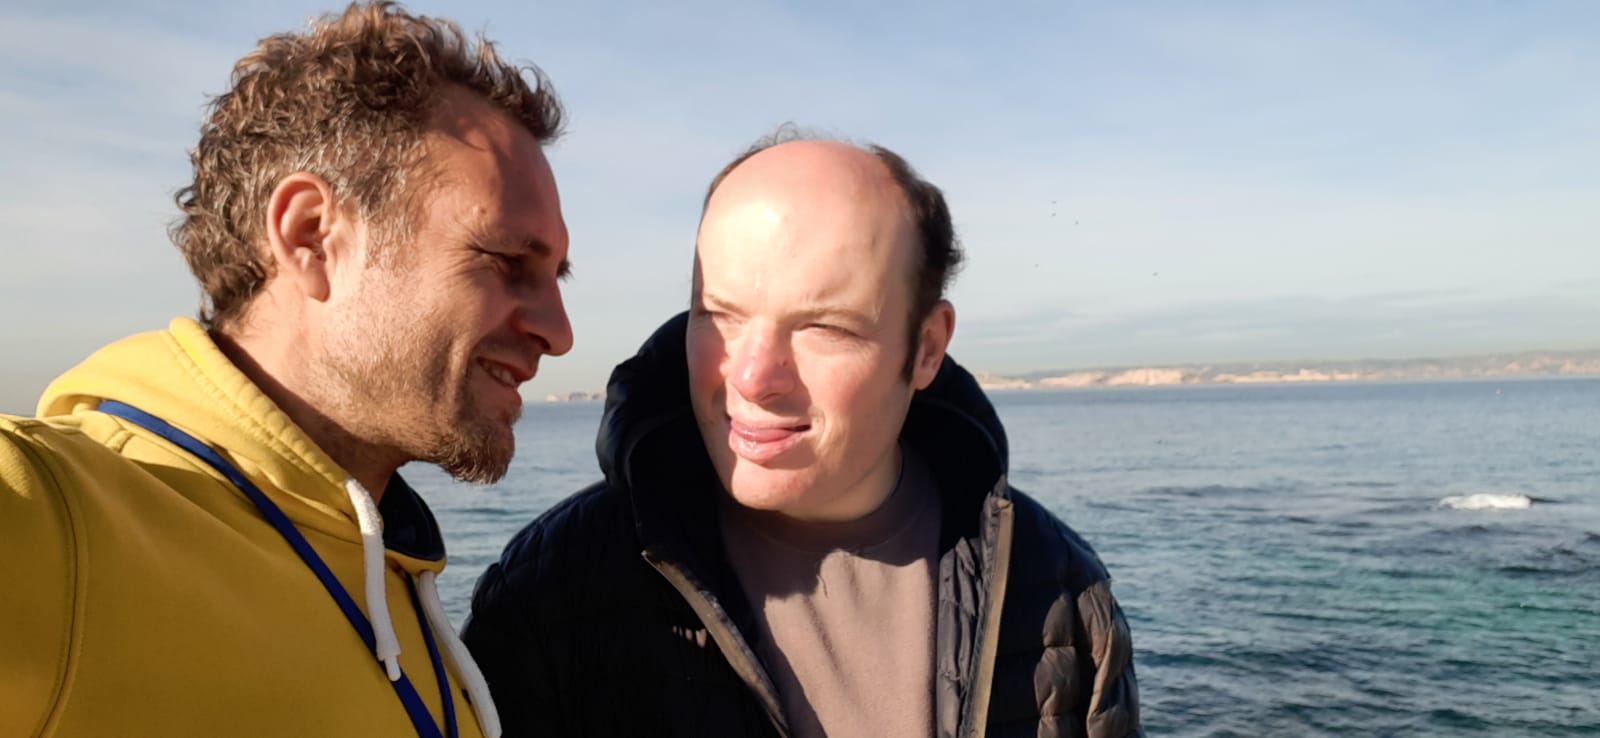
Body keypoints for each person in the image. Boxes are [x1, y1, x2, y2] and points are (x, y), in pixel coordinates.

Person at [0, 4, 572, 737]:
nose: (560, 334)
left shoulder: (394, 575)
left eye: (557, 277)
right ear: (311, 237)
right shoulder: (55, 518)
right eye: (505, 261)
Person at [463, 130, 1142, 738]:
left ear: (927, 348)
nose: (752, 378)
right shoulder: (553, 590)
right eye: (719, 315)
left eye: (824, 327)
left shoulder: (1058, 591)